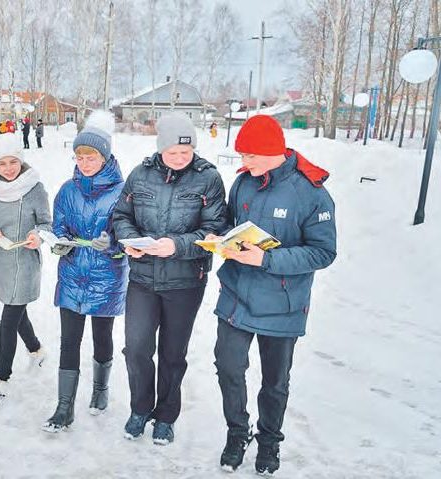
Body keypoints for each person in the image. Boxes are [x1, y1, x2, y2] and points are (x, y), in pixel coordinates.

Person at [211, 115, 336, 475]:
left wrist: (267, 258)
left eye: (250, 155)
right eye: (242, 155)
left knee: (274, 381)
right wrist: (221, 239)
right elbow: (230, 223)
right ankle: (237, 433)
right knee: (228, 368)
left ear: (273, 152)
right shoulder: (243, 185)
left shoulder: (311, 192)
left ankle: (269, 442)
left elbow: (323, 252)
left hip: (283, 301)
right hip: (236, 293)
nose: (243, 163)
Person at [112, 113, 228, 445]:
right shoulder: (140, 175)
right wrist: (130, 241)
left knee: (173, 354)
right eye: (173, 152)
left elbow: (215, 230)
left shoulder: (208, 179)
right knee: (136, 349)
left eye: (186, 152)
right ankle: (139, 408)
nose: (180, 158)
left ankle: (165, 416)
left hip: (185, 281)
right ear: (161, 148)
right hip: (143, 279)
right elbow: (121, 216)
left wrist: (176, 245)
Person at [42, 111, 129, 433]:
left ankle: (100, 390)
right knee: (69, 340)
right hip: (72, 274)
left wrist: (112, 244)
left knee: (102, 337)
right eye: (79, 156)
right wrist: (60, 242)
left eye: (90, 156)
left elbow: (128, 235)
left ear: (104, 156)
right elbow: (59, 225)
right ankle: (64, 408)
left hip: (106, 278)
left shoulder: (122, 191)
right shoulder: (67, 190)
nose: (84, 161)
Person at [0, 133, 52, 410]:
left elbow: (46, 223)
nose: (9, 168)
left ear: (21, 160)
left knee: (9, 319)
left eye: (13, 162)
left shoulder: (35, 188)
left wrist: (37, 235)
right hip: (2, 262)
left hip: (26, 262)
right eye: (2, 163)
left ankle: (1, 379)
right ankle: (36, 349)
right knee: (17, 312)